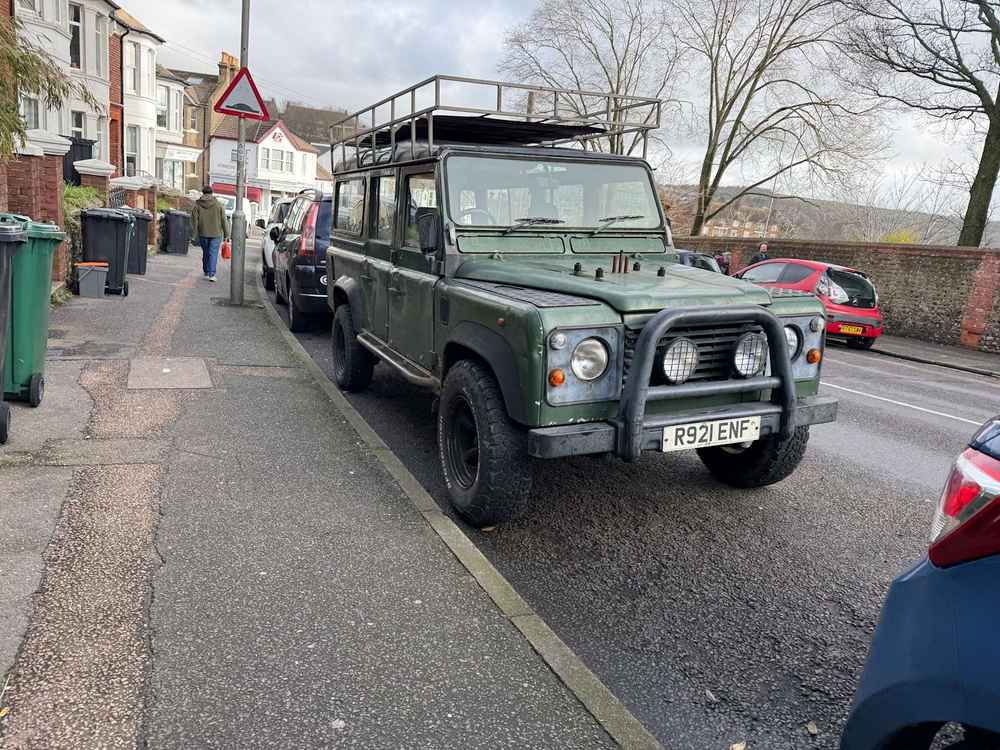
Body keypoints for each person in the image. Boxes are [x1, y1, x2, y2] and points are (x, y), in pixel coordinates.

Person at [190, 186, 229, 283]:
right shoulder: (218, 205)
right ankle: (212, 274)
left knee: (206, 252)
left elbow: (194, 221)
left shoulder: (197, 205)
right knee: (213, 253)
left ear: (203, 193)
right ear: (212, 193)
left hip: (203, 232)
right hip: (216, 233)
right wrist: (227, 234)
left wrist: (194, 234)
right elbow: (224, 220)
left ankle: (206, 271)